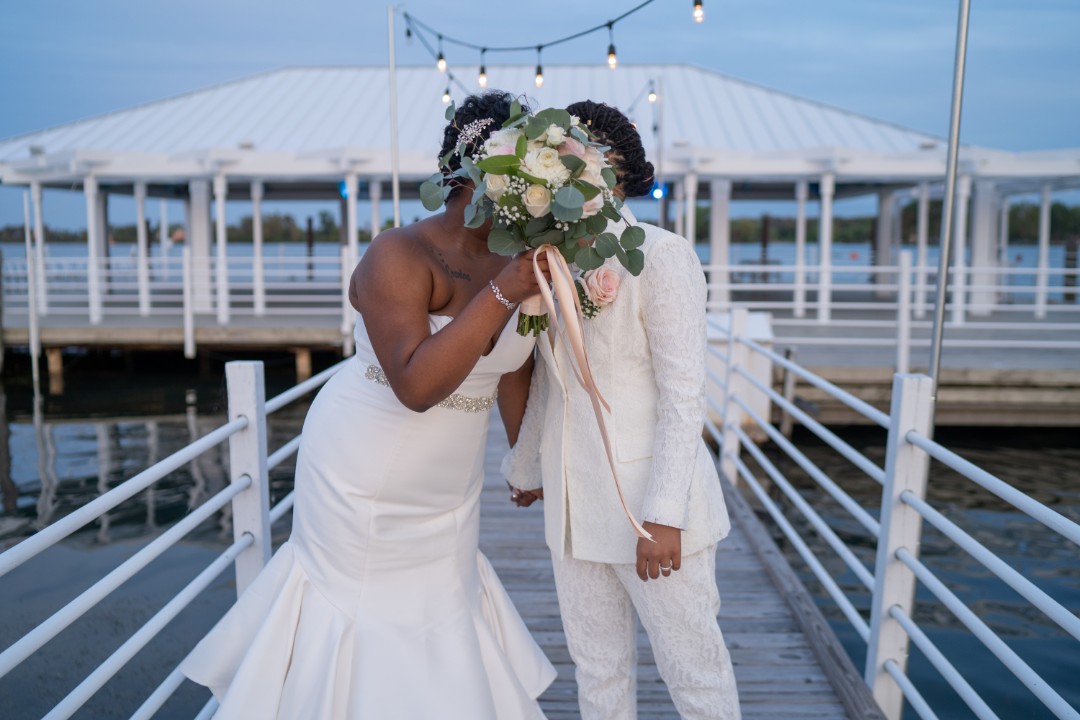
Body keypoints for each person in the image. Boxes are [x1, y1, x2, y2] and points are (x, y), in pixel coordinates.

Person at [181, 91, 556, 720]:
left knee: (443, 617)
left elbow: (512, 363)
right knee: (366, 619)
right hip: (364, 469)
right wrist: (503, 290)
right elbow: (415, 385)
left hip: (450, 484)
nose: (529, 189)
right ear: (473, 175)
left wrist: (527, 456)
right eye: (520, 171)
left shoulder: (517, 258)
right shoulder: (398, 255)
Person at [503, 100, 741, 720]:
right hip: (574, 508)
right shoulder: (547, 260)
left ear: (613, 169)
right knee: (598, 672)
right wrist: (526, 464)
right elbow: (551, 380)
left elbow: (685, 395)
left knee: (695, 674)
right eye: (555, 165)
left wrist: (664, 515)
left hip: (650, 507)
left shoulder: (661, 256)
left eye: (576, 162)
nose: (563, 176)